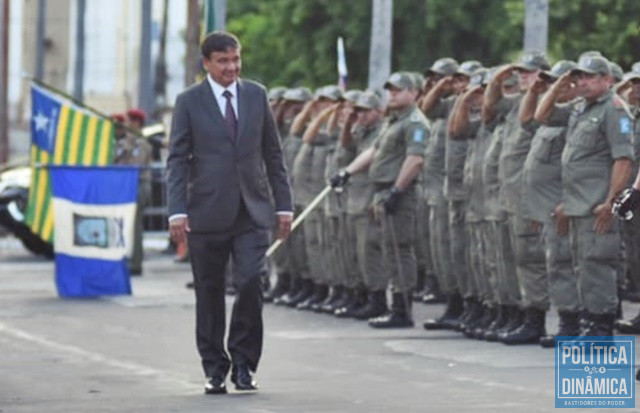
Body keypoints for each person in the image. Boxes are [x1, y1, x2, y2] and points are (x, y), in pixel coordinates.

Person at [166, 31, 293, 394]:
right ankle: (214, 367)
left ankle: (244, 363)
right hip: (205, 212)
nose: (231, 67)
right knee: (209, 293)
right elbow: (177, 159)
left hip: (252, 211)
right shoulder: (189, 101)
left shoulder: (256, 95)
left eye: (235, 60)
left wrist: (283, 204)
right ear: (206, 63)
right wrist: (177, 211)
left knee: (252, 281)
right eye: (223, 61)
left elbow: (273, 154)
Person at [539, 54, 633, 336]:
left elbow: (624, 160)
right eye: (580, 77)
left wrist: (611, 202)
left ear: (608, 80)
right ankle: (590, 325)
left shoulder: (614, 110)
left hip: (598, 205)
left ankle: (601, 329)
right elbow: (542, 116)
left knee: (598, 266)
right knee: (583, 266)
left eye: (592, 77)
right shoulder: (581, 108)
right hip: (578, 204)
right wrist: (559, 85)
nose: (584, 82)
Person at [331, 72, 429, 328]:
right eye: (391, 90)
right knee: (388, 249)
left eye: (398, 90)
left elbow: (415, 159)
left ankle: (402, 309)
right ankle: (395, 306)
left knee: (400, 250)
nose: (392, 94)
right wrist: (347, 172)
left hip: (400, 192)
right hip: (382, 191)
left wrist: (397, 190)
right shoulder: (394, 122)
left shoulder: (416, 123)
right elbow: (373, 152)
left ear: (414, 93)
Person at [113, 110, 152, 276]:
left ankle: (136, 263)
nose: (126, 124)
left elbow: (135, 164)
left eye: (129, 121)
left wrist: (128, 148)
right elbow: (115, 161)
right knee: (126, 224)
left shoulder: (141, 143)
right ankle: (126, 258)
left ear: (137, 123)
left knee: (135, 225)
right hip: (125, 185)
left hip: (139, 184)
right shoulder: (125, 142)